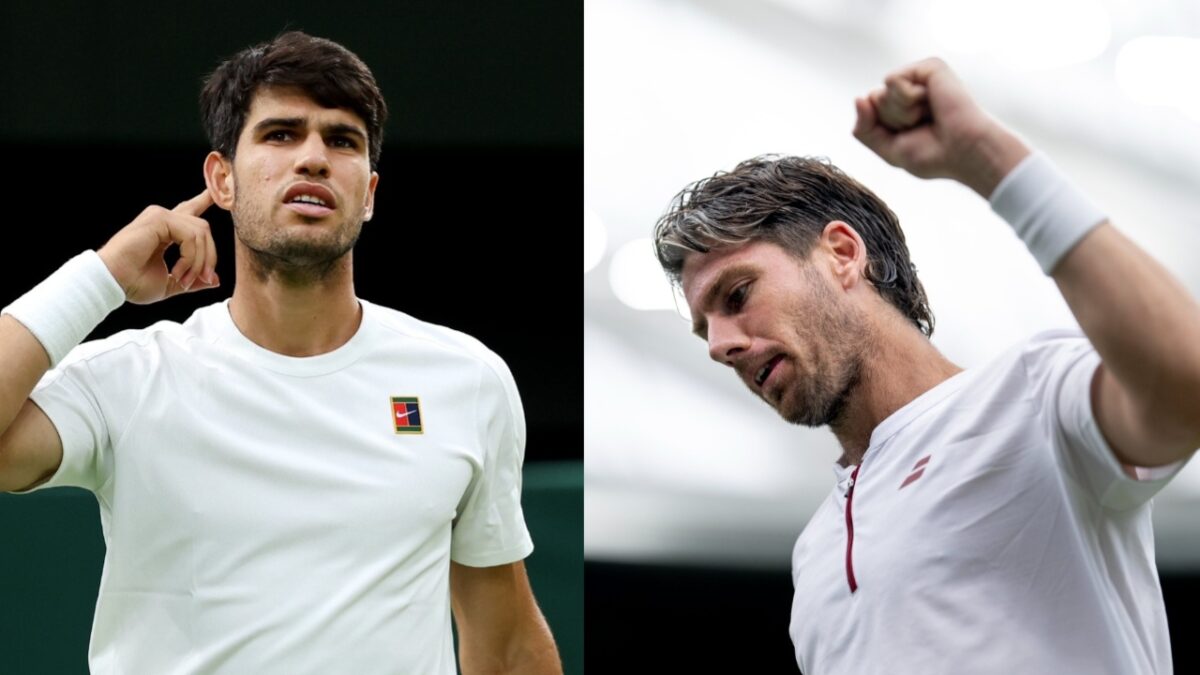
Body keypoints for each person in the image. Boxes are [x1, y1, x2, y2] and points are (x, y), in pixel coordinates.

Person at [0, 31, 561, 674]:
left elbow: (510, 645)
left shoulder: (468, 379)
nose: (314, 159)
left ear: (369, 193)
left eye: (342, 140)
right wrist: (102, 276)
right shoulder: (127, 376)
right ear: (222, 180)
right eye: (281, 134)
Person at [653, 57, 1199, 674]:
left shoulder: (1034, 396)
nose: (718, 345)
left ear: (841, 254)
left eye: (737, 295)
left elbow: (1187, 383)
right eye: (705, 329)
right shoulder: (814, 555)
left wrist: (988, 159)